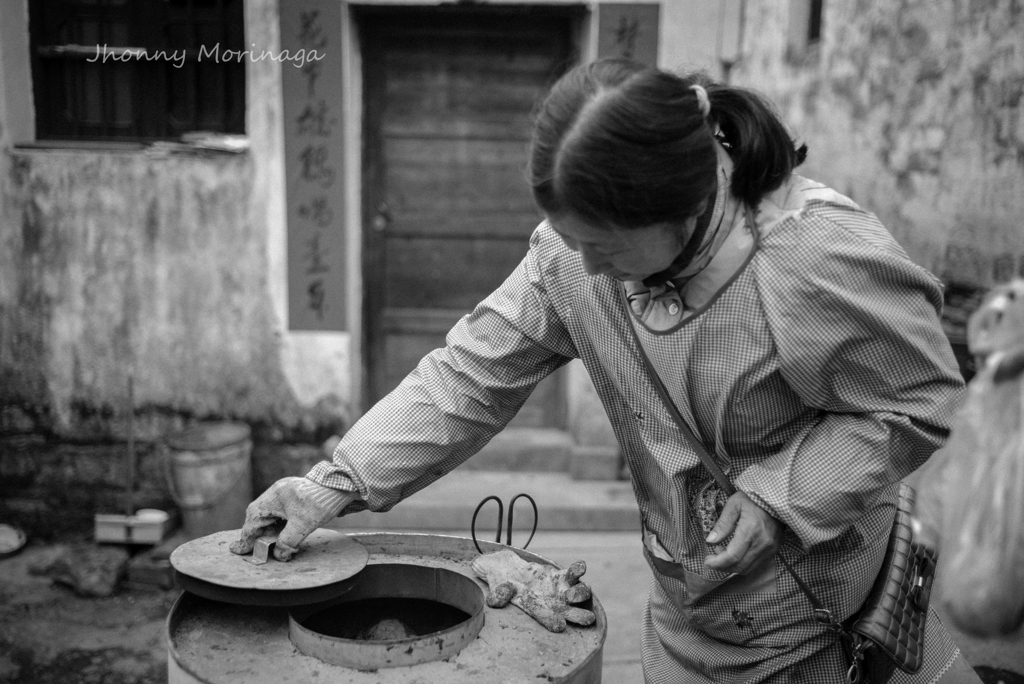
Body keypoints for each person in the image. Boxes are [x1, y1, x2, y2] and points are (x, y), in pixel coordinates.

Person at [232, 59, 982, 683]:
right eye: (570, 238)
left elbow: (916, 401)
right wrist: (333, 484)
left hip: (820, 621)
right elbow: (468, 374)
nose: (585, 267)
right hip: (684, 613)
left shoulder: (813, 257)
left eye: (608, 245)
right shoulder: (570, 258)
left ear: (684, 206)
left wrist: (782, 496)